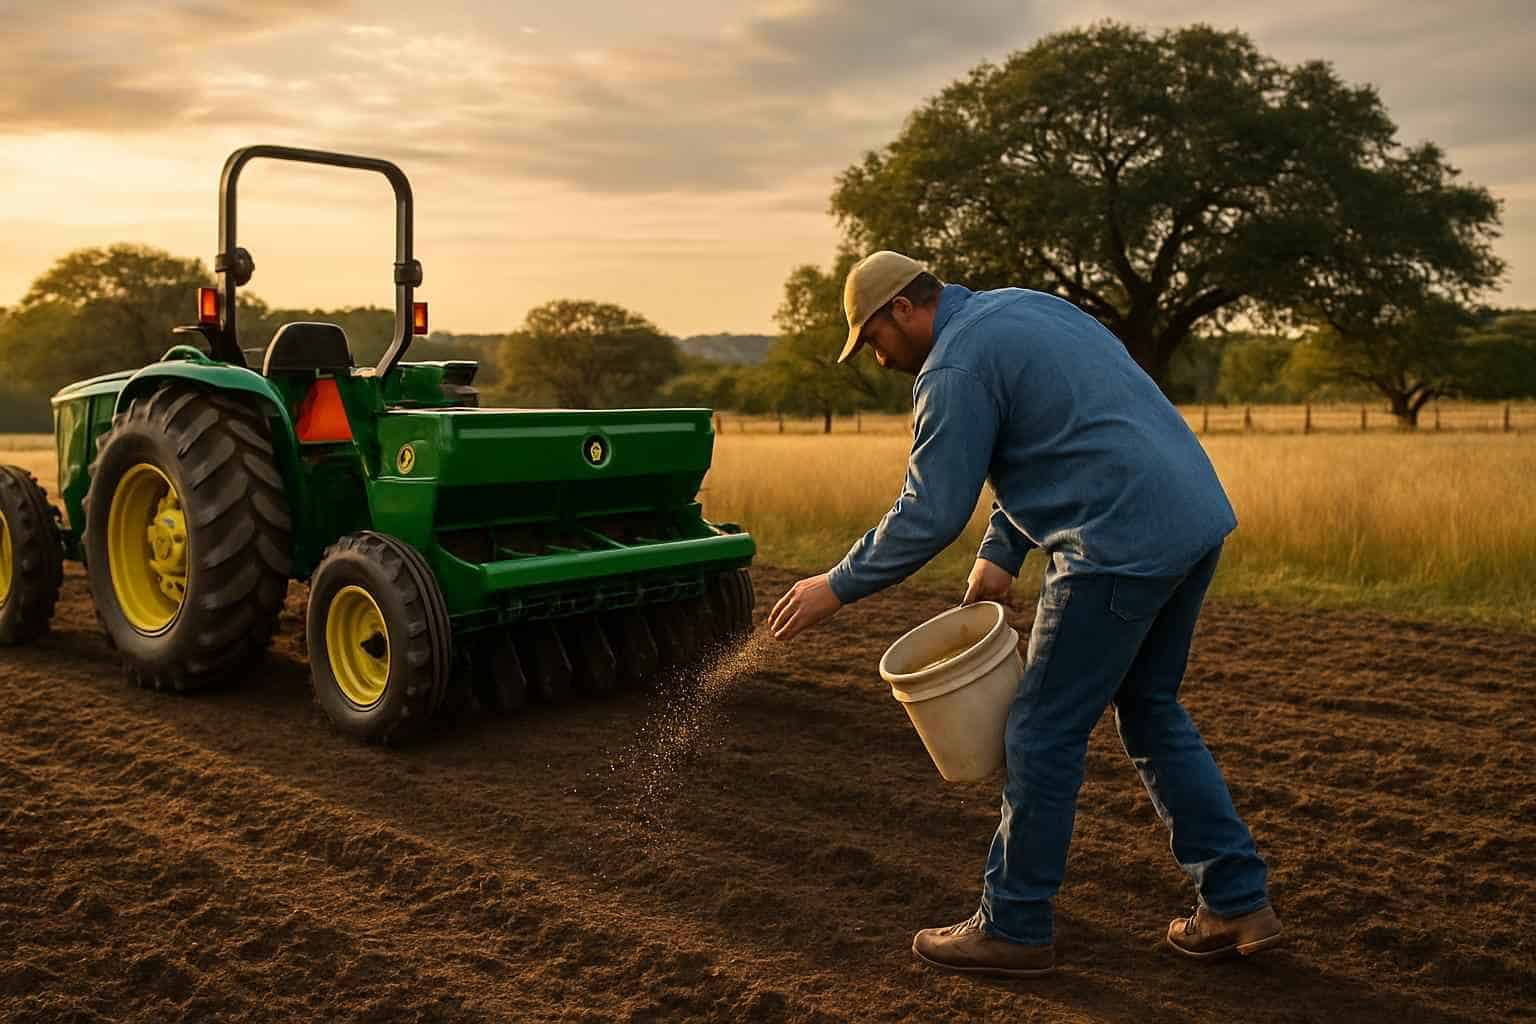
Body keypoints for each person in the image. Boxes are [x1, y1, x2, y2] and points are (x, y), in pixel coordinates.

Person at [767, 251, 1279, 978]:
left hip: (1114, 544)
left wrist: (837, 586)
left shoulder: (952, 367)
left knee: (1040, 731)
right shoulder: (1024, 309)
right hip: (1191, 520)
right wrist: (1001, 547)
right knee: (1150, 708)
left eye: (874, 338)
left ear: (904, 310)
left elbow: (930, 510)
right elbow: (1057, 430)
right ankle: (1236, 902)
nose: (878, 357)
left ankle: (1014, 925)